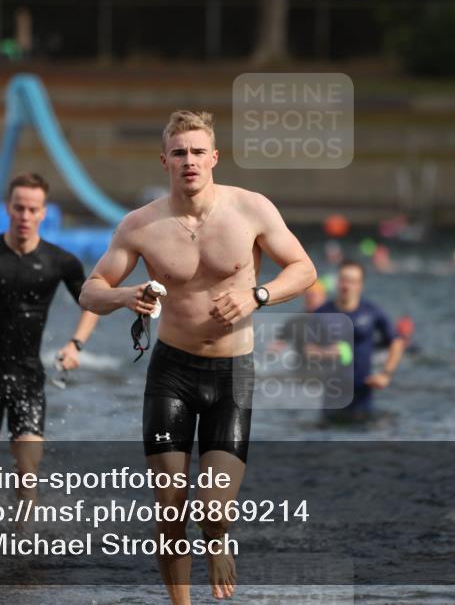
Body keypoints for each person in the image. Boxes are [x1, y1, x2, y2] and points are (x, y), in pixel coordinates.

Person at [79, 110, 316, 603]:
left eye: (197, 152)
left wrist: (259, 296)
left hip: (233, 374)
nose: (189, 161)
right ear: (165, 160)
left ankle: (219, 537)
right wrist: (128, 297)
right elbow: (90, 291)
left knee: (214, 509)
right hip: (172, 373)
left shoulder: (251, 209)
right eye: (179, 153)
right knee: (169, 509)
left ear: (214, 158)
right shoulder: (141, 226)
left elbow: (304, 268)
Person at [0, 173, 99, 508]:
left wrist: (76, 344)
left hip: (29, 377)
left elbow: (92, 305)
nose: (25, 216)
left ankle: (22, 537)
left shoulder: (61, 261)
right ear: (8, 208)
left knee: (27, 472)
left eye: (32, 209)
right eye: (19, 208)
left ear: (43, 212)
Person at [315, 260, 406, 423]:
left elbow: (396, 341)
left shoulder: (371, 311)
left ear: (360, 285)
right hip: (332, 397)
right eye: (343, 279)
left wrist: (386, 374)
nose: (346, 286)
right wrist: (326, 353)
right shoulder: (321, 313)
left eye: (352, 281)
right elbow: (305, 349)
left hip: (363, 396)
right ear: (337, 282)